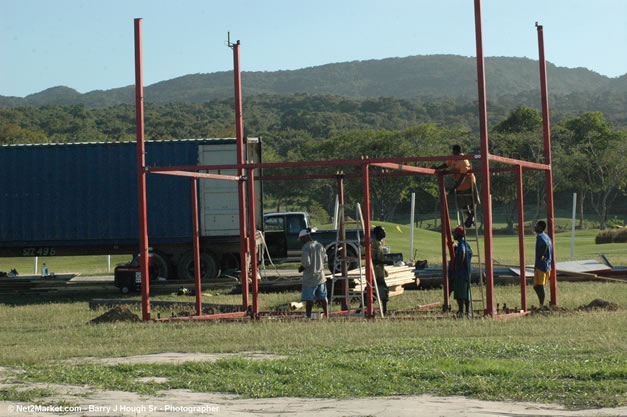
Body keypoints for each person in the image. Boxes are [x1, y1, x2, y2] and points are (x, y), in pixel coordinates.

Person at [435, 144, 479, 228]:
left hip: (468, 182)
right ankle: (470, 217)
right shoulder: (454, 159)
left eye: (454, 152)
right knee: (462, 202)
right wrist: (437, 168)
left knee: (473, 202)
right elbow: (446, 164)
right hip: (460, 184)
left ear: (457, 152)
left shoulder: (463, 161)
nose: (453, 153)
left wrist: (454, 187)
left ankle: (471, 217)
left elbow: (463, 176)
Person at [298, 229, 329, 318]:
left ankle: (308, 317)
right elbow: (325, 259)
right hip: (321, 277)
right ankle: (327, 315)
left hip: (310, 278)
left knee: (309, 299)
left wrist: (301, 268)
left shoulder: (306, 247)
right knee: (323, 298)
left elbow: (306, 263)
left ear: (305, 237)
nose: (301, 241)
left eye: (301, 238)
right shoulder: (319, 245)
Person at [451, 226, 472, 317]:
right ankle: (467, 311)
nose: (453, 235)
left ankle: (461, 312)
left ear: (459, 235)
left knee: (460, 293)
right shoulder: (467, 244)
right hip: (467, 272)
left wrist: (458, 265)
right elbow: (470, 252)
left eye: (454, 233)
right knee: (466, 293)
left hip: (461, 272)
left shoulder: (461, 244)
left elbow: (462, 252)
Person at [371, 225, 389, 315]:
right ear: (377, 233)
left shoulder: (380, 244)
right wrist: (385, 262)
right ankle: (384, 311)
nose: (384, 233)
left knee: (376, 292)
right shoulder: (374, 244)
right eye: (382, 231)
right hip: (375, 273)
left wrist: (384, 268)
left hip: (380, 273)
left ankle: (384, 310)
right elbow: (373, 260)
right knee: (382, 291)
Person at [533, 220, 552, 307]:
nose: (535, 227)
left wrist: (541, 255)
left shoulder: (540, 237)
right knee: (536, 286)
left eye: (536, 226)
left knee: (540, 286)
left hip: (542, 265)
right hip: (546, 265)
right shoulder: (547, 236)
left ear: (540, 227)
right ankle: (541, 303)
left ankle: (541, 305)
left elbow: (544, 245)